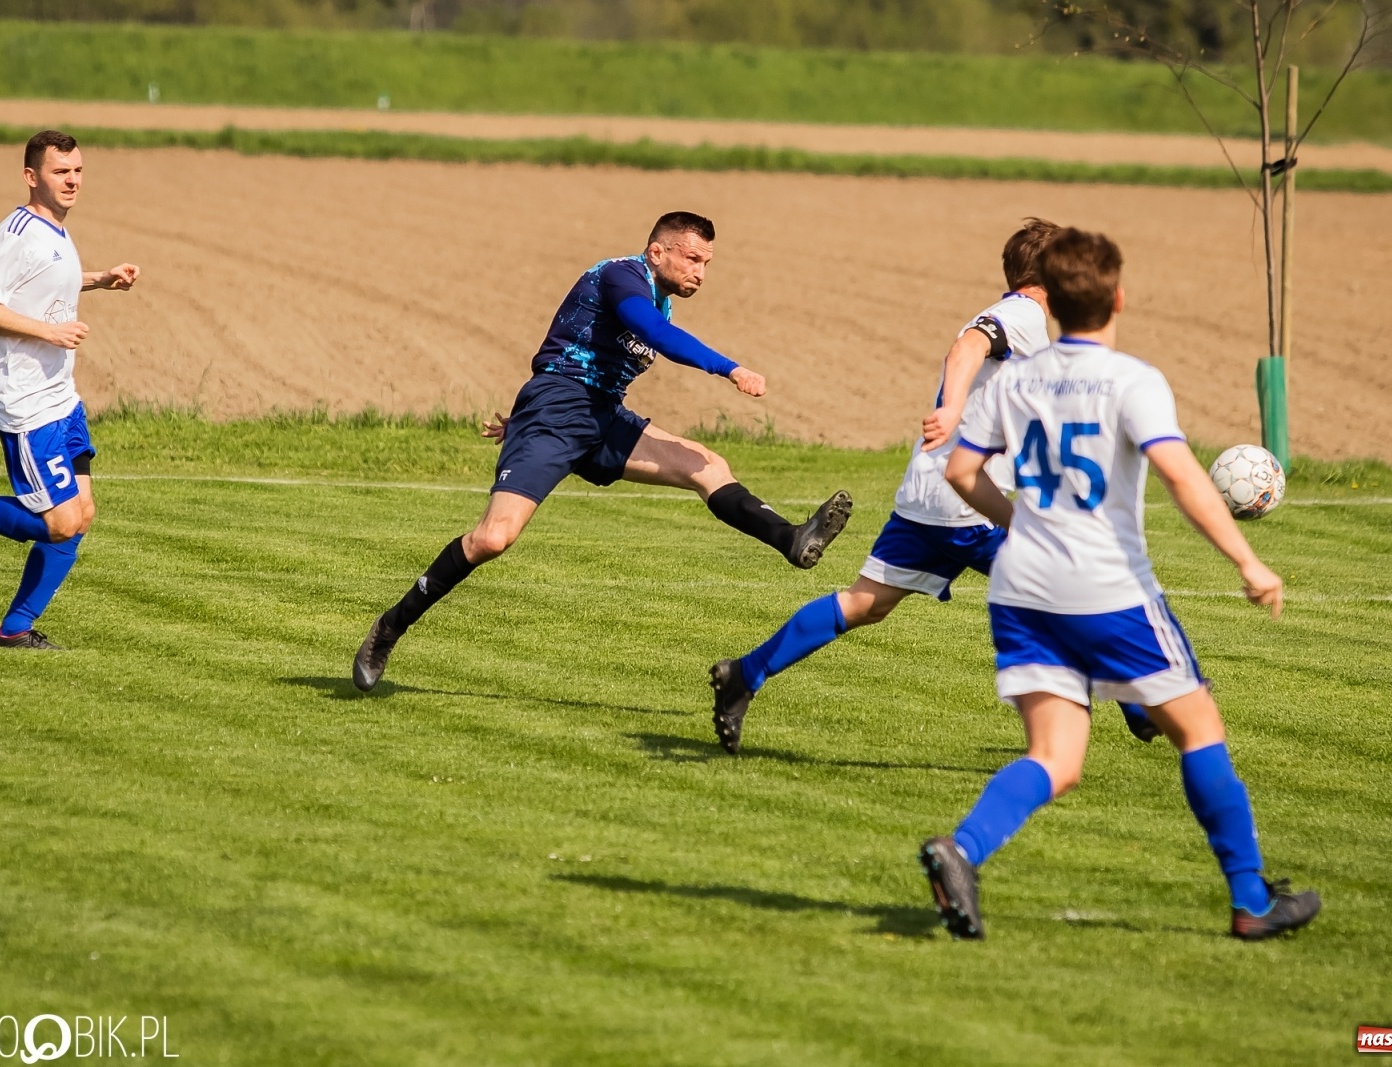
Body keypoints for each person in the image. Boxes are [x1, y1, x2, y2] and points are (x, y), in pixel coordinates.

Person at [918, 227, 1320, 942]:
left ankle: (962, 848)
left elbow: (959, 469)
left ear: (1053, 304)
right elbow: (1182, 476)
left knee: (1055, 758)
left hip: (1021, 588)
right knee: (1198, 727)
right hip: (1106, 588)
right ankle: (1251, 903)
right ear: (1118, 298)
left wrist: (1017, 521)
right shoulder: (1132, 380)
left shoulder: (1013, 380)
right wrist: (1248, 563)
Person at [352, 211, 852, 692]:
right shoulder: (621, 277)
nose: (700, 272)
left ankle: (790, 537)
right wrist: (730, 368)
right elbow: (654, 337)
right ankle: (390, 627)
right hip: (556, 414)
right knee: (493, 539)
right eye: (692, 259)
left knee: (706, 466)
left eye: (707, 264)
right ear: (657, 252)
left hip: (600, 417)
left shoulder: (660, 297)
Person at [708, 219, 1061, 754]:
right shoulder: (1023, 315)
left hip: (928, 496)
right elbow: (966, 347)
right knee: (1067, 588)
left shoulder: (1024, 319)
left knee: (864, 604)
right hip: (966, 503)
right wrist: (952, 408)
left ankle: (744, 675)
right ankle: (1137, 704)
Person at [0, 130, 140, 649]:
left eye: (78, 171)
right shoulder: (14, 233)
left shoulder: (55, 231)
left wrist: (99, 278)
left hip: (61, 397)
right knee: (60, 520)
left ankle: (14, 628)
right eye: (60, 172)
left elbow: (46, 281)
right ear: (31, 176)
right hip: (24, 401)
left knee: (80, 514)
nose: (72, 181)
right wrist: (51, 332)